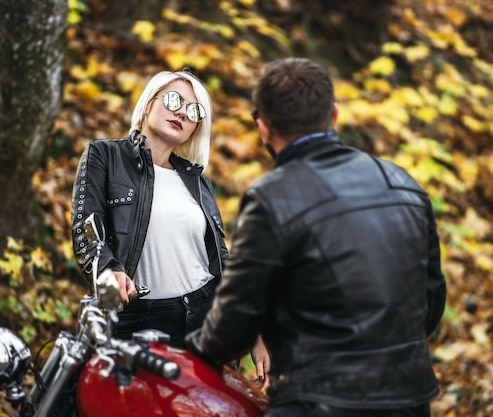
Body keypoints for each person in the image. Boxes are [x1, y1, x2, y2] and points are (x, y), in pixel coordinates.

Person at [185, 57, 447, 417]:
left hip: (317, 402)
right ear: (334, 115)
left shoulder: (271, 198)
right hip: (409, 400)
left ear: (264, 129)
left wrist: (188, 351)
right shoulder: (403, 183)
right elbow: (430, 301)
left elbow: (234, 323)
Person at [71, 69, 270, 387]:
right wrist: (107, 269)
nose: (181, 111)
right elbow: (86, 227)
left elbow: (221, 260)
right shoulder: (105, 156)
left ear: (194, 129)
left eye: (193, 111)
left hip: (204, 321)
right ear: (148, 104)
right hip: (136, 321)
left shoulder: (197, 181)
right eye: (174, 99)